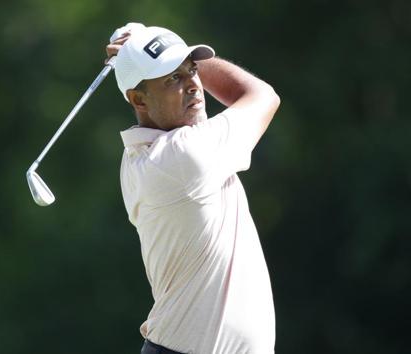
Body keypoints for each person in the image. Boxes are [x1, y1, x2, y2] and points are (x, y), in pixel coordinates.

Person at [105, 23, 280, 354]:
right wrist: (144, 39)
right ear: (138, 99)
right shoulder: (183, 156)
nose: (193, 86)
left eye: (192, 70)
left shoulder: (140, 156)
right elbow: (262, 96)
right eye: (172, 78)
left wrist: (145, 47)